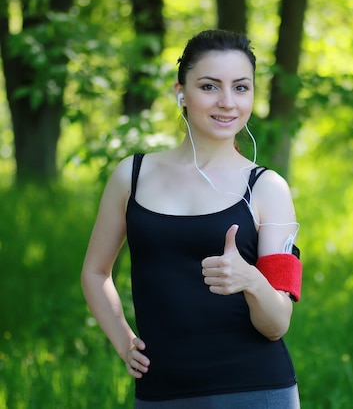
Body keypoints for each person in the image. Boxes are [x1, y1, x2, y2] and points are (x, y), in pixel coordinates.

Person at [81, 29, 302, 409]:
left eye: (241, 87)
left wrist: (250, 279)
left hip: (256, 391)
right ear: (180, 91)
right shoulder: (131, 176)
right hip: (160, 394)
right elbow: (95, 273)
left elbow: (277, 323)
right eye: (210, 86)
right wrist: (123, 340)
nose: (228, 102)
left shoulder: (268, 188)